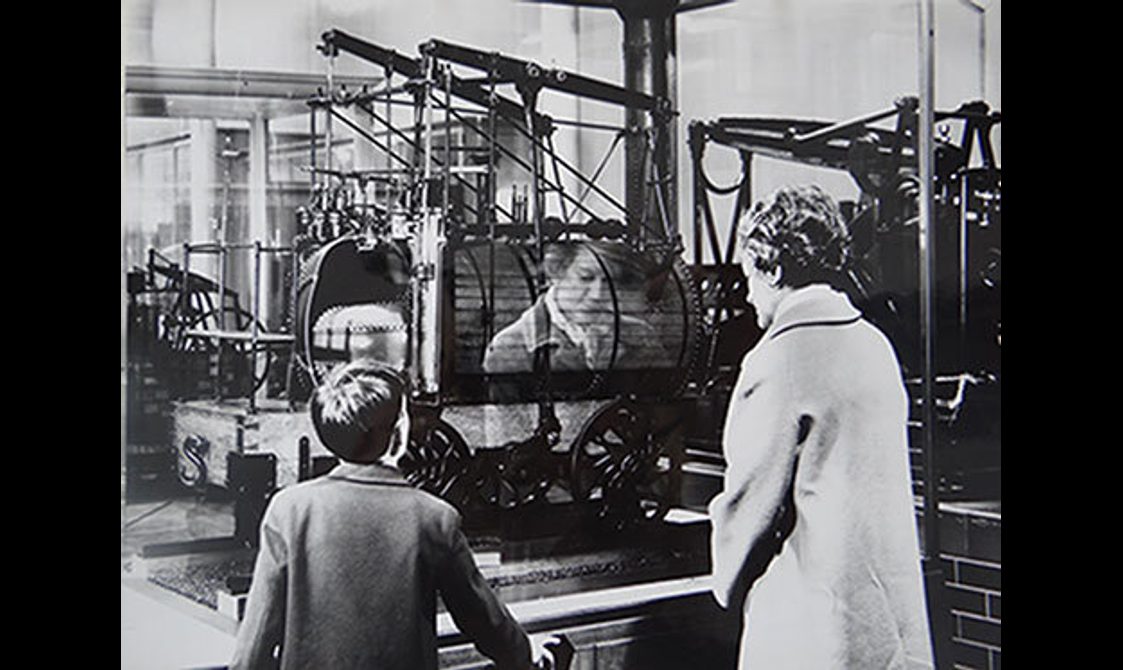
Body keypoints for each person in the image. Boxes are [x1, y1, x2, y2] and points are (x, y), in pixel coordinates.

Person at [707, 185, 934, 669]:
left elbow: (749, 509)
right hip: (885, 621)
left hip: (809, 624)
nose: (747, 294)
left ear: (772, 267)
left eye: (750, 275)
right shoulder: (874, 345)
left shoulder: (777, 358)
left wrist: (726, 580)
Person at [231, 360, 555, 669]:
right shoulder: (434, 518)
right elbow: (483, 621)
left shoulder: (289, 510)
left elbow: (258, 636)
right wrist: (527, 657)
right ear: (399, 432)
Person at [482, 241, 666, 374]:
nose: (598, 295)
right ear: (556, 271)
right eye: (586, 278)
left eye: (610, 282)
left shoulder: (642, 336)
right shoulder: (510, 347)